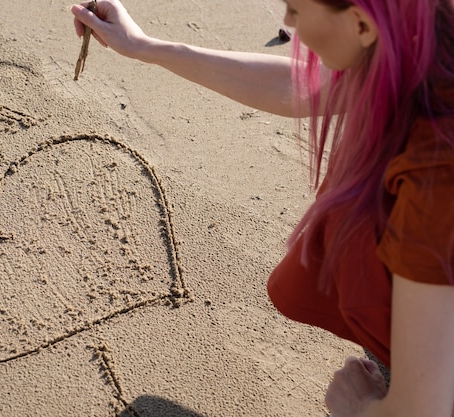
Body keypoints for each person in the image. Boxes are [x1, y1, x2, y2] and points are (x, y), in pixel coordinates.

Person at [70, 0, 454, 415]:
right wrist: (145, 46)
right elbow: (305, 87)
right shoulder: (424, 39)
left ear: (362, 24)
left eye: (294, 9)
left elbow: (423, 408)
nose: (287, 23)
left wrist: (358, 406)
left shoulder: (435, 175)